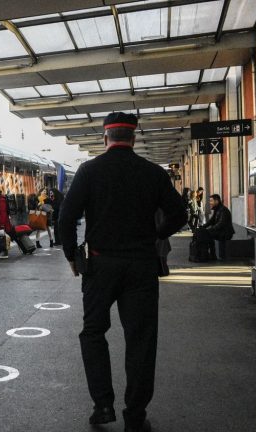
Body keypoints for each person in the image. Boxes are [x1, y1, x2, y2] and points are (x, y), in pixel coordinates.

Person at [59, 112, 186, 432]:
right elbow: (179, 214)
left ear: (105, 138)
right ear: (133, 138)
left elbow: (66, 218)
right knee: (141, 338)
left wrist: (73, 255)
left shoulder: (89, 171)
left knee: (93, 333)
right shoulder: (153, 173)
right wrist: (156, 234)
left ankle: (102, 405)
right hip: (141, 267)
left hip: (100, 266)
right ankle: (135, 412)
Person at [197, 194, 234, 260]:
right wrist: (203, 227)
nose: (210, 203)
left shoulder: (223, 210)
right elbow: (211, 221)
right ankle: (211, 254)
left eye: (211, 201)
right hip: (221, 231)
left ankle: (212, 255)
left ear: (217, 201)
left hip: (226, 233)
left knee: (207, 234)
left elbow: (221, 224)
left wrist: (210, 230)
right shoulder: (217, 209)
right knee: (206, 234)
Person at [0, 188, 12, 258]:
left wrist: (2, 224)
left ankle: (5, 253)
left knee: (3, 237)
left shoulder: (2, 200)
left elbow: (3, 213)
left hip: (3, 222)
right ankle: (2, 251)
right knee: (1, 237)